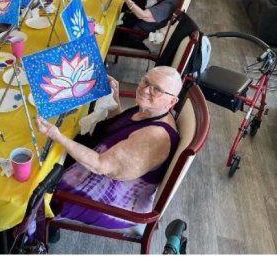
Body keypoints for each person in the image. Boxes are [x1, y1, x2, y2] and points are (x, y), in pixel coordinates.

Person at [36, 66, 181, 233]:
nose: (145, 90)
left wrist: (57, 135)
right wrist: (114, 98)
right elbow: (122, 134)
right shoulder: (150, 111)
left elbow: (100, 165)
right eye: (145, 81)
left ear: (172, 101)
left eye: (157, 90)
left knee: (36, 190)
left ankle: (35, 232)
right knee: (50, 155)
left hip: (113, 201)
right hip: (104, 169)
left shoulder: (155, 138)